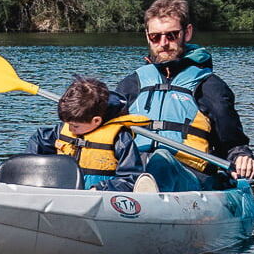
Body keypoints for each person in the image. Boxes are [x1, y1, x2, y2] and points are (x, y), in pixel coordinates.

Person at [116, 0, 254, 187]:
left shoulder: (209, 86)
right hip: (134, 172)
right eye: (155, 37)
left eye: (171, 35)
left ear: (187, 33)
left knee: (161, 161)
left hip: (191, 178)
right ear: (147, 36)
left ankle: (143, 195)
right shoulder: (131, 84)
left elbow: (232, 142)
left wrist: (241, 156)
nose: (163, 43)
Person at [22, 76, 156, 193]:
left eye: (75, 126)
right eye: (67, 123)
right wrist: (31, 169)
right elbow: (38, 139)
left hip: (100, 197)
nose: (70, 129)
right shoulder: (62, 130)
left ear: (96, 121)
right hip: (62, 192)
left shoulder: (119, 139)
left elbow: (131, 178)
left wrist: (100, 189)